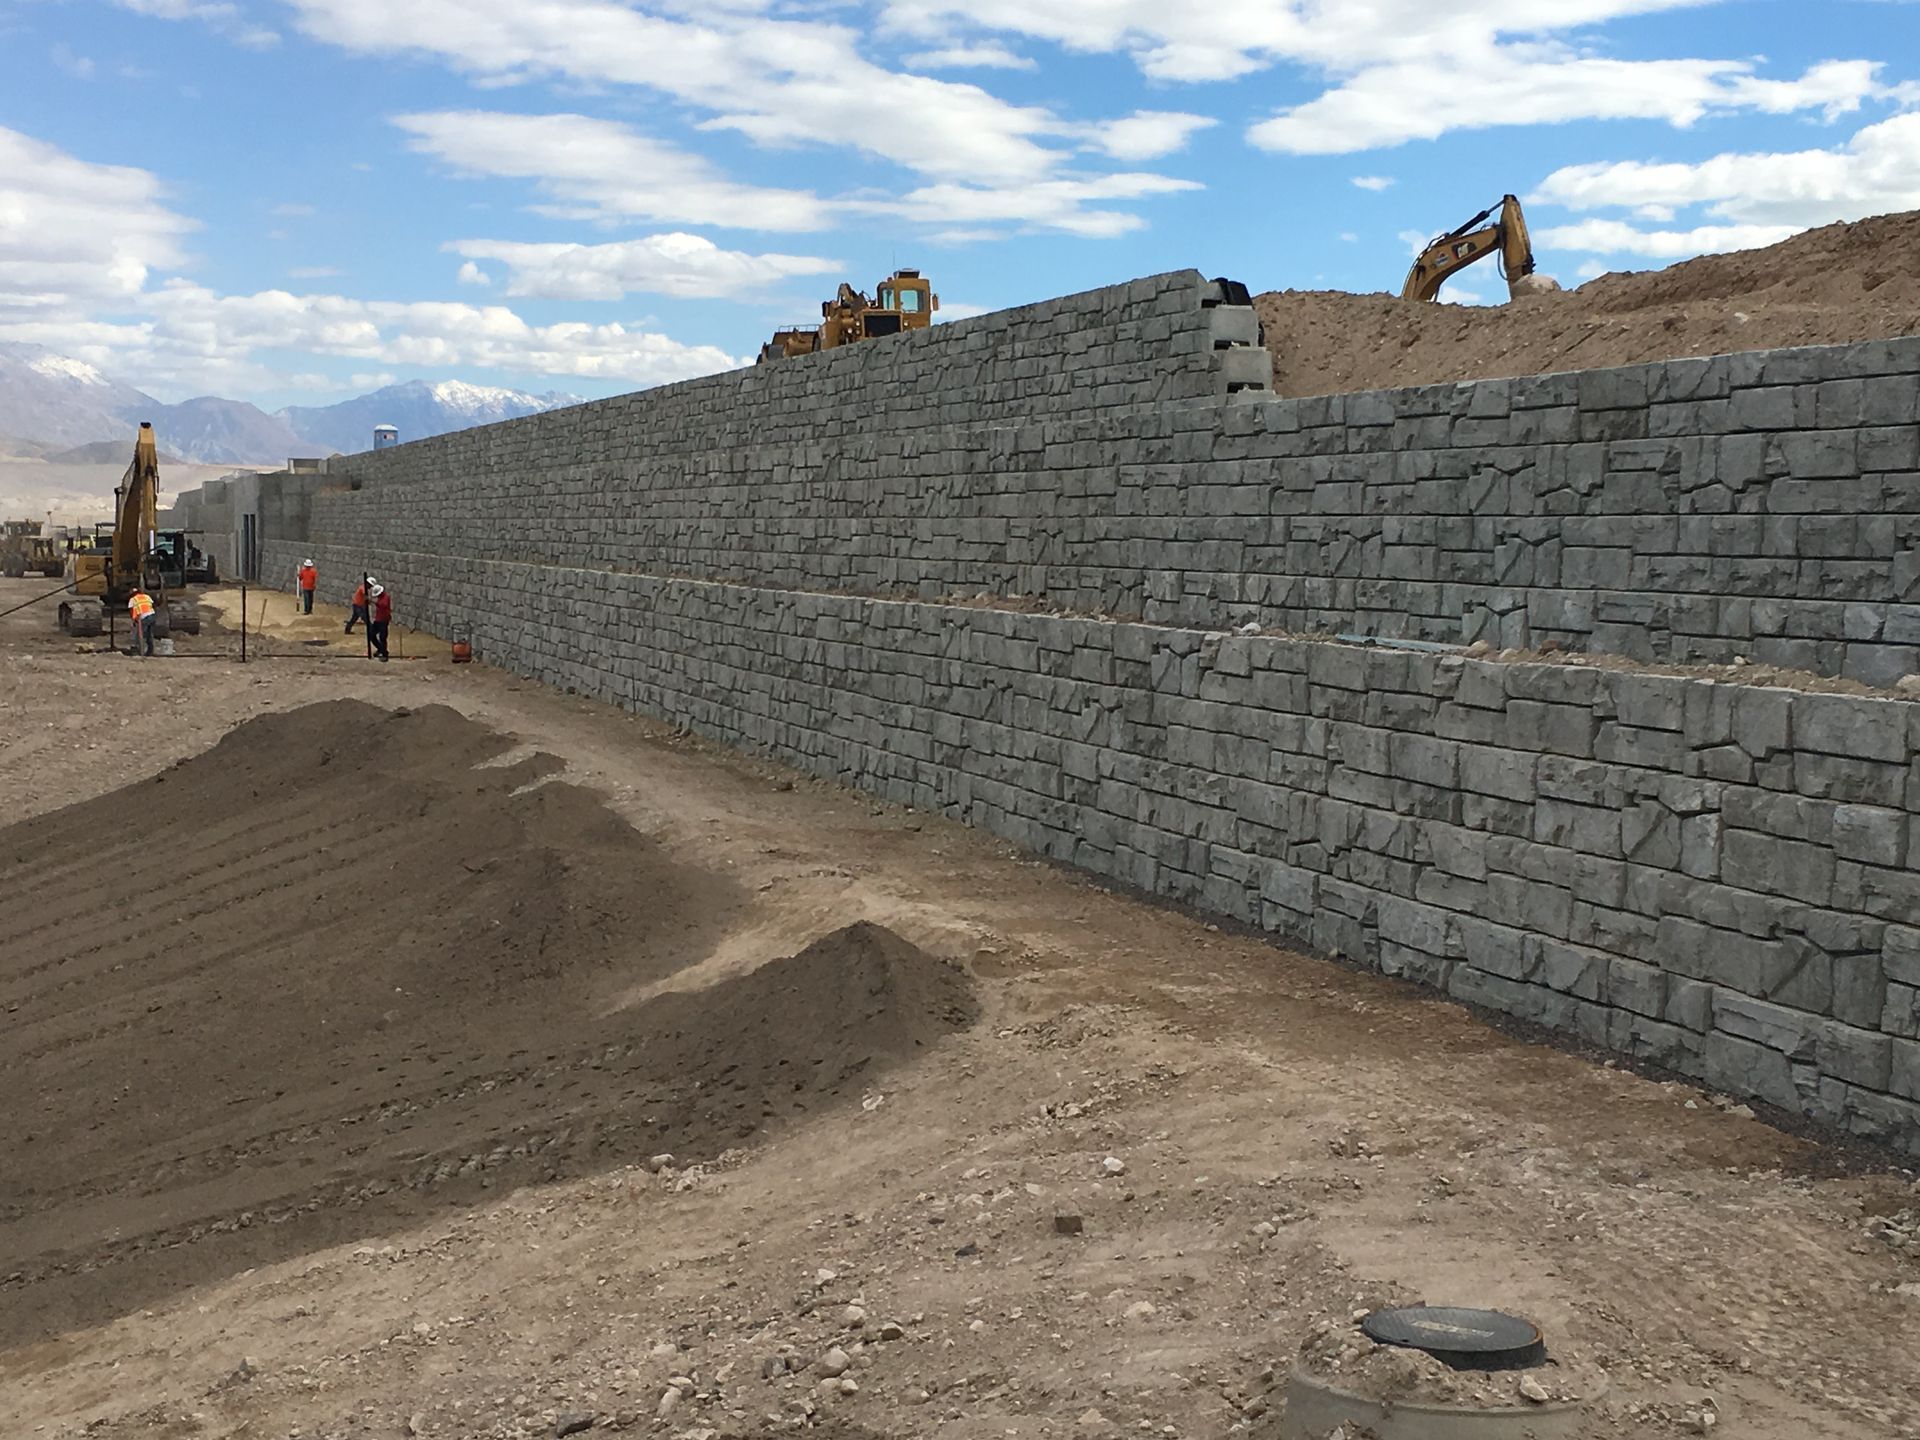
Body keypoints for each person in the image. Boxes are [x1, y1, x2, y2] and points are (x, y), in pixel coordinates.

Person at [127, 584, 157, 657]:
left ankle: (138, 651)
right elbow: (152, 605)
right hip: (152, 616)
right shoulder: (146, 596)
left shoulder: (133, 600)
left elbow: (132, 611)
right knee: (149, 634)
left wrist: (134, 620)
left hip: (144, 617)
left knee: (139, 634)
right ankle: (150, 651)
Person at [368, 582, 391, 662]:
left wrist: (373, 601)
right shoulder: (380, 597)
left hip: (384, 620)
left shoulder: (386, 597)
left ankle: (384, 654)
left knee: (382, 637)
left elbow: (383, 605)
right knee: (371, 635)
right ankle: (380, 649)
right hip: (378, 619)